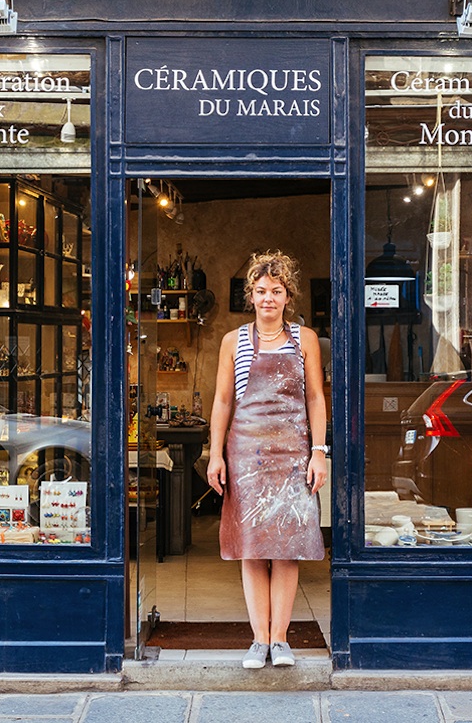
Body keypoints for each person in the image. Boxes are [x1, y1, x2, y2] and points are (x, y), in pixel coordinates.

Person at [207, 250, 329, 670]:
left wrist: (319, 451)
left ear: (288, 295)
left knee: (287, 549)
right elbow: (222, 401)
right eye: (260, 291)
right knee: (253, 549)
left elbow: (315, 398)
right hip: (246, 455)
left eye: (276, 291)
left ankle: (281, 641)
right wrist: (215, 454)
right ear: (251, 295)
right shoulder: (233, 342)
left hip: (293, 454)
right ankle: (259, 640)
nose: (268, 299)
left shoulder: (306, 339)